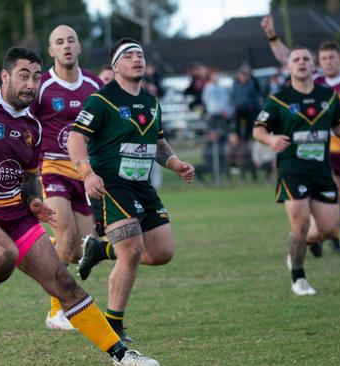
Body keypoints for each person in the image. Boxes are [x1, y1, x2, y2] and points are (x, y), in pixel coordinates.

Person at [0, 46, 159, 366]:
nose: (30, 84)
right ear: (5, 76)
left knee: (64, 282)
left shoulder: (33, 127)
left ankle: (122, 356)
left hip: (15, 213)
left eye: (37, 77)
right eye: (23, 76)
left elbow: (27, 178)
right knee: (2, 255)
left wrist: (33, 201)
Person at [68, 38, 195, 343]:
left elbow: (159, 144)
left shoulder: (152, 102)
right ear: (116, 66)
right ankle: (113, 325)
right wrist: (86, 174)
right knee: (132, 250)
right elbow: (75, 139)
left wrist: (176, 163)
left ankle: (100, 249)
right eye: (129, 55)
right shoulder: (101, 100)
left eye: (140, 54)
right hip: (110, 183)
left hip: (142, 185)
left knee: (162, 252)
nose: (137, 59)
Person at [253, 45, 340, 296]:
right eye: (296, 59)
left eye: (305, 59)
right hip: (292, 168)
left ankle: (296, 245)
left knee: (330, 229)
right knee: (300, 223)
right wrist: (271, 140)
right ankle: (298, 279)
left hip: (321, 170)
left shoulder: (327, 96)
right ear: (288, 67)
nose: (301, 63)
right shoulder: (279, 99)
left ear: (312, 65)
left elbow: (338, 126)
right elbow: (258, 130)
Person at [261, 15, 340, 255]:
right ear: (318, 62)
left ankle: (324, 235)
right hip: (320, 147)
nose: (328, 62)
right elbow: (287, 57)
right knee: (322, 194)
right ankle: (312, 234)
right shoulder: (313, 79)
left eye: (332, 58)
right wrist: (271, 35)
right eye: (324, 58)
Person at [30, 24, 104, 331]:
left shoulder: (93, 84)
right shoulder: (43, 85)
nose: (66, 46)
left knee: (83, 248)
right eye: (59, 42)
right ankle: (55, 312)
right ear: (52, 51)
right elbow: (27, 122)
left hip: (83, 173)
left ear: (79, 46)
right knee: (67, 237)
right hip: (53, 168)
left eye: (71, 40)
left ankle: (40, 246)